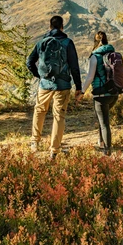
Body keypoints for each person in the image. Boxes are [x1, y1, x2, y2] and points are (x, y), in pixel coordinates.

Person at [26, 15, 82, 159]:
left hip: (45, 84)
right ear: (62, 26)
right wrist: (78, 87)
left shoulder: (42, 42)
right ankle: (54, 150)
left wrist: (39, 76)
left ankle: (34, 142)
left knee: (39, 111)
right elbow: (75, 67)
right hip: (62, 85)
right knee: (59, 116)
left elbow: (29, 62)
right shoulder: (68, 43)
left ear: (50, 26)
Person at [77, 31, 119, 156]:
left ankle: (107, 151)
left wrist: (82, 92)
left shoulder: (95, 56)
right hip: (113, 93)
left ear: (95, 42)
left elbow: (90, 77)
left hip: (101, 94)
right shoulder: (112, 53)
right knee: (103, 119)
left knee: (104, 122)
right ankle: (101, 143)